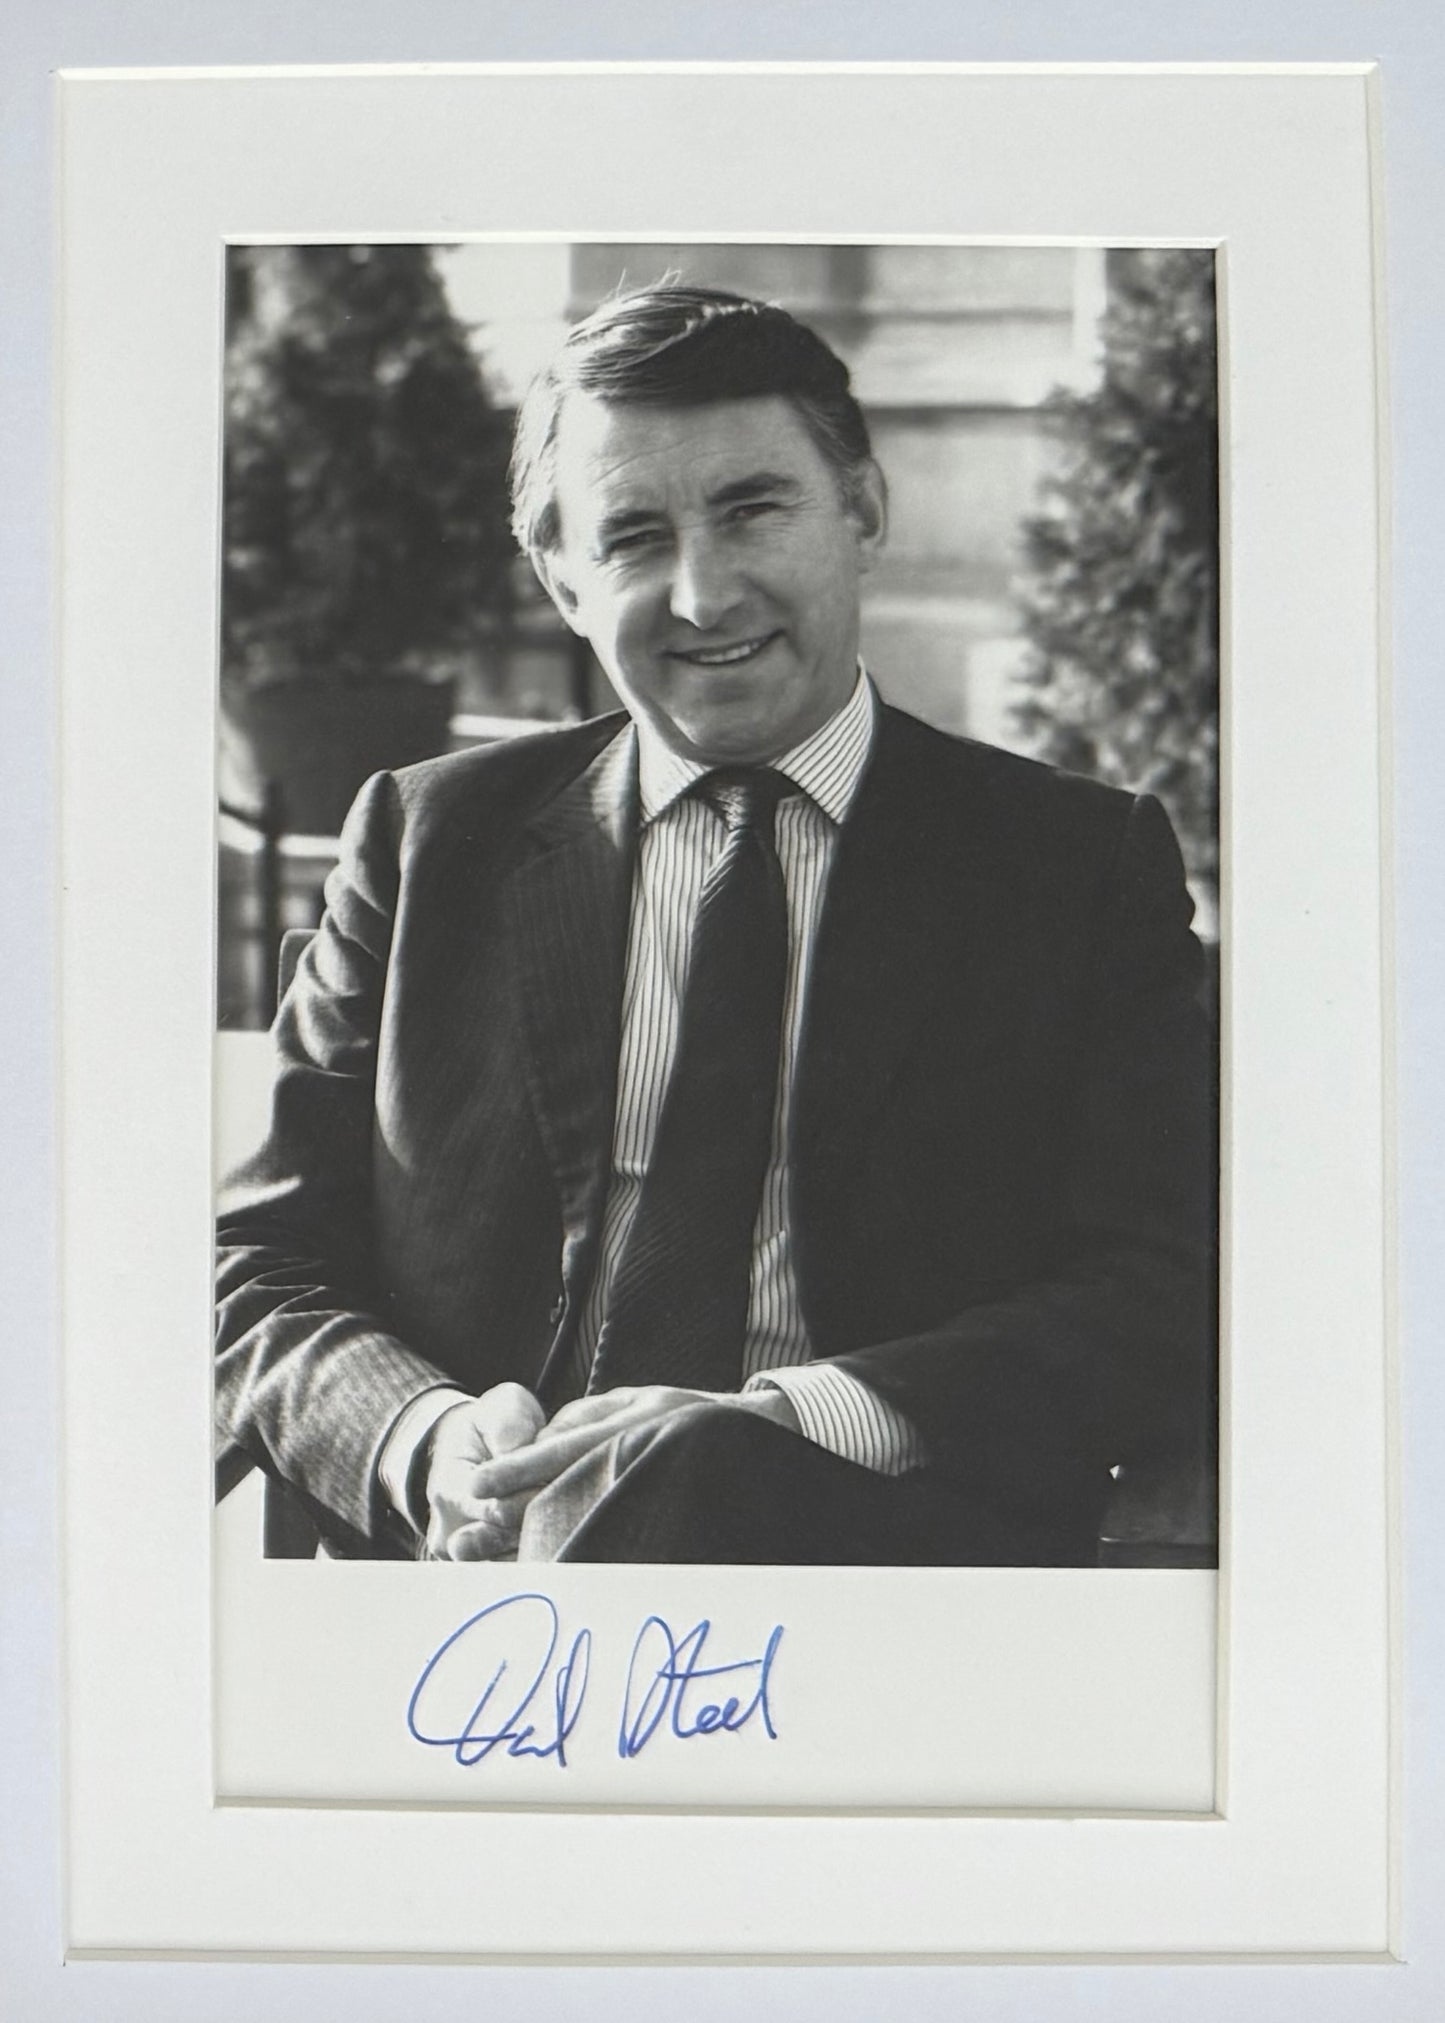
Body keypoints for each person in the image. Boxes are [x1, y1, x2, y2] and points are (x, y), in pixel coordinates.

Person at [215, 282, 1215, 1566]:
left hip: (881, 1574)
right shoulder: (426, 841)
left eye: (752, 509)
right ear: (561, 580)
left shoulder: (1070, 865)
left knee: (687, 1476)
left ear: (860, 510)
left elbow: (1162, 1275)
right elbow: (257, 1261)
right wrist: (423, 1437)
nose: (701, 592)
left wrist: (784, 1420)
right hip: (463, 1596)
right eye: (631, 535)